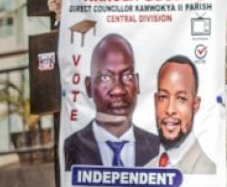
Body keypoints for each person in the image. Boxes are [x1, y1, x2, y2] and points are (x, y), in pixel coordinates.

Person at [63, 34, 160, 169]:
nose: (118, 90)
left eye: (127, 76)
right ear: (89, 86)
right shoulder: (71, 148)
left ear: (137, 83)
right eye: (105, 77)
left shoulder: (158, 148)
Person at [145, 55, 216, 175]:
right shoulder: (146, 171)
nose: (170, 109)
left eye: (181, 98)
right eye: (163, 97)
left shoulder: (207, 173)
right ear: (155, 101)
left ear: (195, 105)